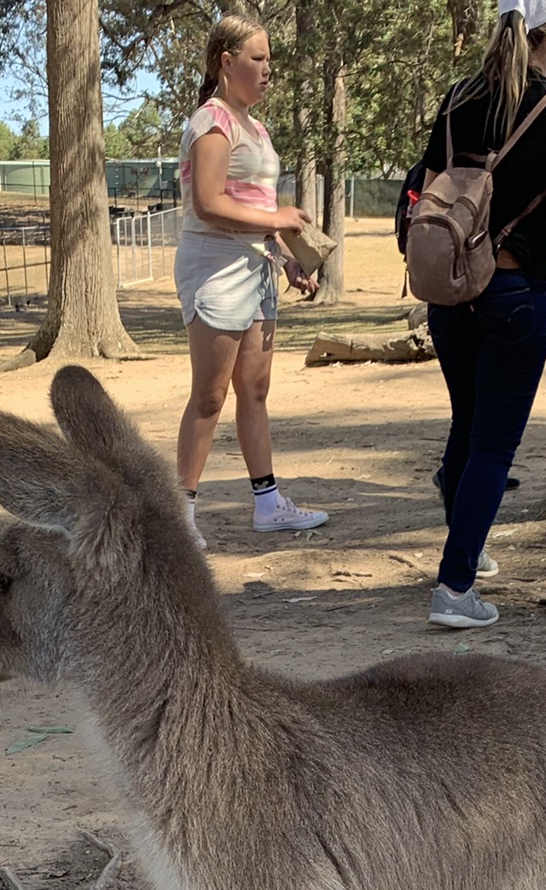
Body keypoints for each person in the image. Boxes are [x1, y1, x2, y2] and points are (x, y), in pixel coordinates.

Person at [417, 0, 546, 630]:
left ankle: (467, 544)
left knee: (467, 427)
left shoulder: (458, 98)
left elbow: (433, 192)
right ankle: (455, 585)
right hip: (517, 296)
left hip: (452, 293)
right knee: (494, 444)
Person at [173, 15, 327, 551]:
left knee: (255, 391)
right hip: (214, 269)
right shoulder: (212, 121)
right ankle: (180, 516)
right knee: (210, 397)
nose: (268, 70)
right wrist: (279, 220)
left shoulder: (254, 127)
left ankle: (268, 506)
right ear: (226, 61)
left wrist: (287, 258)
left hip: (254, 269)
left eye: (269, 60)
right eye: (257, 59)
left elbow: (256, 211)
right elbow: (209, 204)